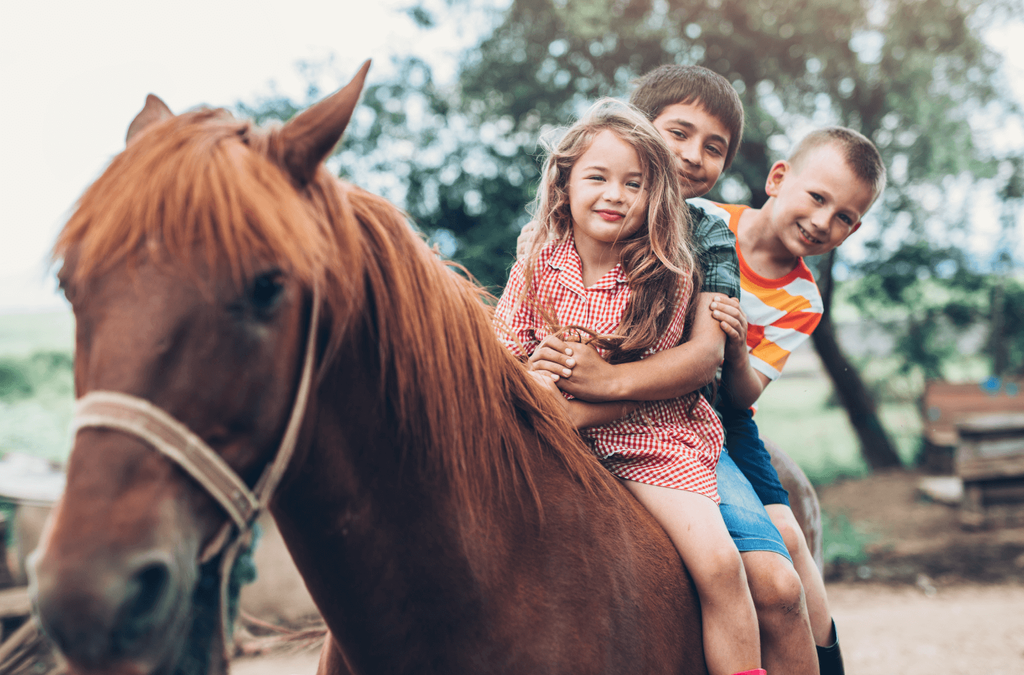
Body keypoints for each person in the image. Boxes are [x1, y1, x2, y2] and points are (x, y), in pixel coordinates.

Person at [520, 65, 826, 674]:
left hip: (686, 421)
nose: (692, 156)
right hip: (586, 411)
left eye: (714, 148)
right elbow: (523, 328)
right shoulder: (558, 232)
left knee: (777, 578)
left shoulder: (701, 235)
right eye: (678, 133)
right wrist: (536, 369)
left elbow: (704, 360)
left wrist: (595, 385)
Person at [697, 125, 885, 675]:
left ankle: (829, 665)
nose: (825, 221)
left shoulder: (801, 297)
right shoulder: (706, 221)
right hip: (664, 392)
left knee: (787, 537)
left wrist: (734, 347)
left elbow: (747, 390)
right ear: (779, 179)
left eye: (846, 217)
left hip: (728, 418)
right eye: (818, 198)